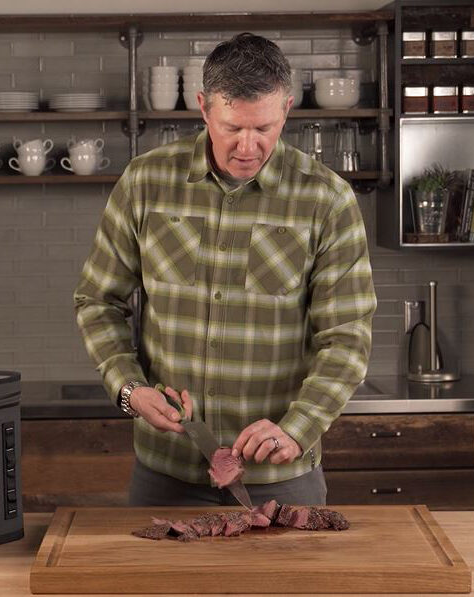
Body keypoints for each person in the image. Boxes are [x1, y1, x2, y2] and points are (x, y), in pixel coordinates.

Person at [73, 33, 376, 507]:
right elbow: (97, 300)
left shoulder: (327, 199)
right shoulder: (145, 182)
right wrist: (129, 387)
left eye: (265, 128)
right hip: (167, 472)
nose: (249, 146)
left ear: (287, 109)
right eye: (233, 127)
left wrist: (297, 429)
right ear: (203, 107)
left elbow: (347, 336)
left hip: (282, 477)